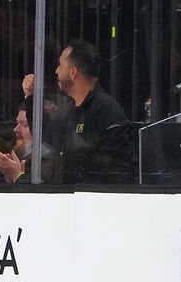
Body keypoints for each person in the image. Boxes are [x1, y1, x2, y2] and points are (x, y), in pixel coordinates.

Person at [55, 39, 134, 183]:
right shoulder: (71, 112)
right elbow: (49, 140)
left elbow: (118, 172)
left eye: (60, 65)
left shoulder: (107, 110)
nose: (56, 71)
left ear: (73, 72)